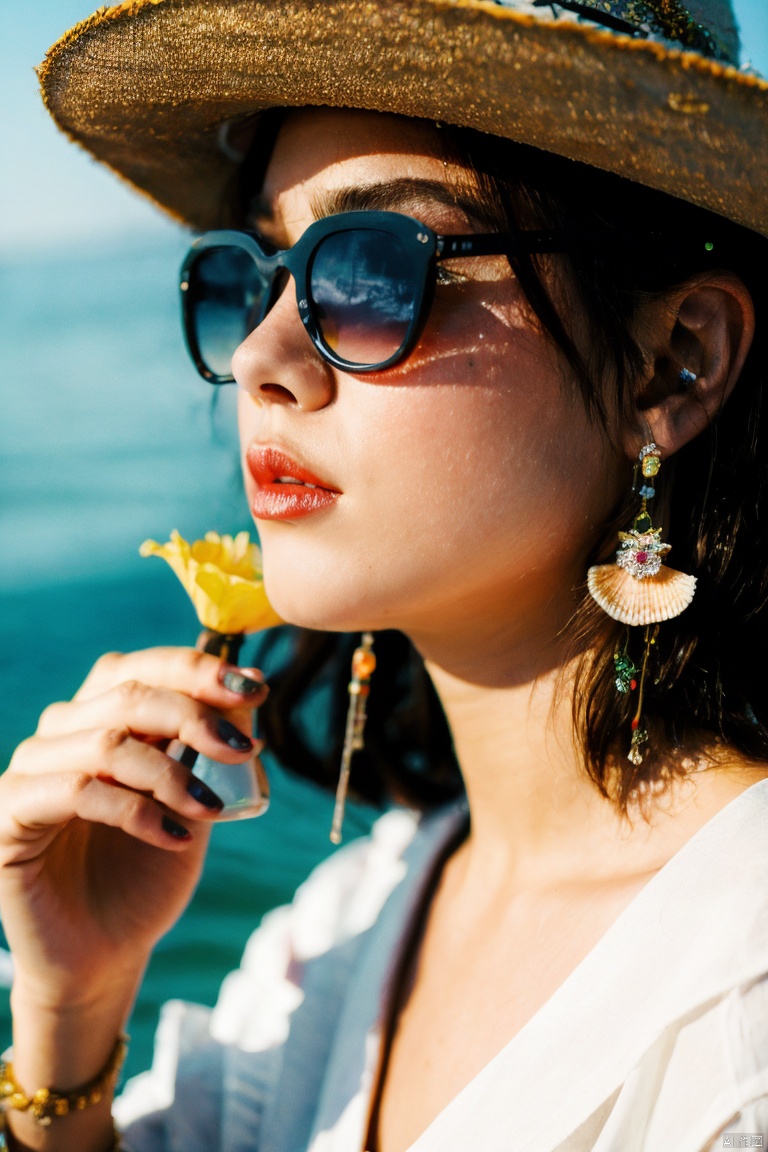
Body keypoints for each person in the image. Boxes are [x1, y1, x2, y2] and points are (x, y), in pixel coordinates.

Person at [2, 0, 768, 1149]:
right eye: (255, 273)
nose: (260, 357)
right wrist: (72, 1013)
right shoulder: (351, 929)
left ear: (673, 363)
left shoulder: (737, 1021)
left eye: (369, 269)